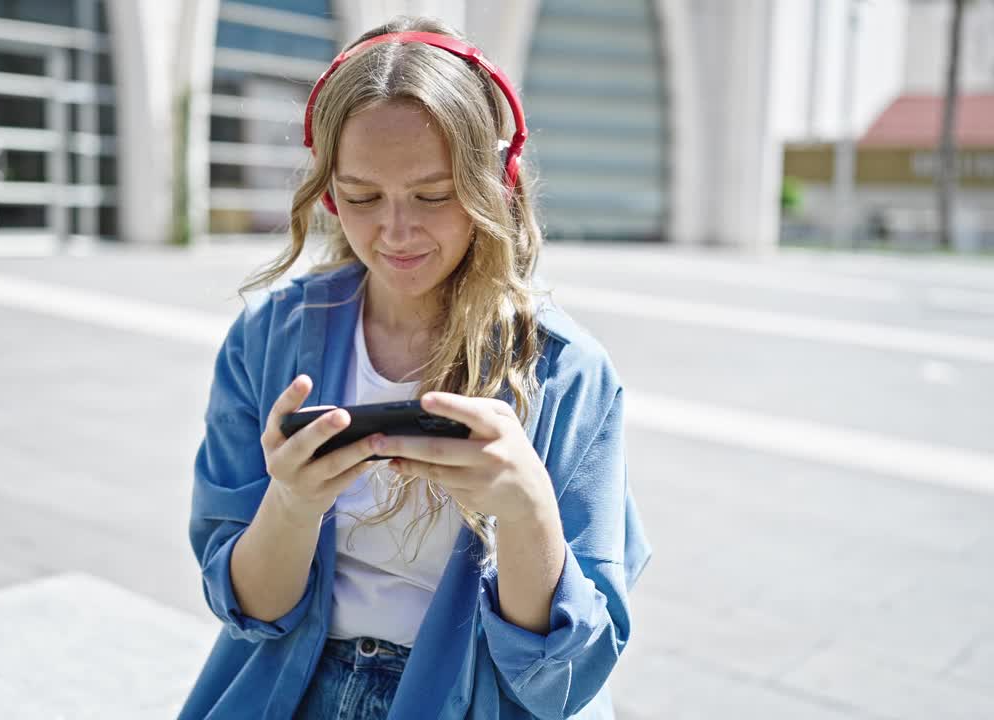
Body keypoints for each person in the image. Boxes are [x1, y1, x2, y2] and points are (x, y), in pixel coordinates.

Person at [178, 16, 651, 720]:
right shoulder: (269, 338)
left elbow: (560, 678)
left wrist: (525, 510)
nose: (395, 233)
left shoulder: (565, 372)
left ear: (494, 184)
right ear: (330, 193)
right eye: (362, 198)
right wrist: (293, 506)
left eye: (432, 195)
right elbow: (251, 610)